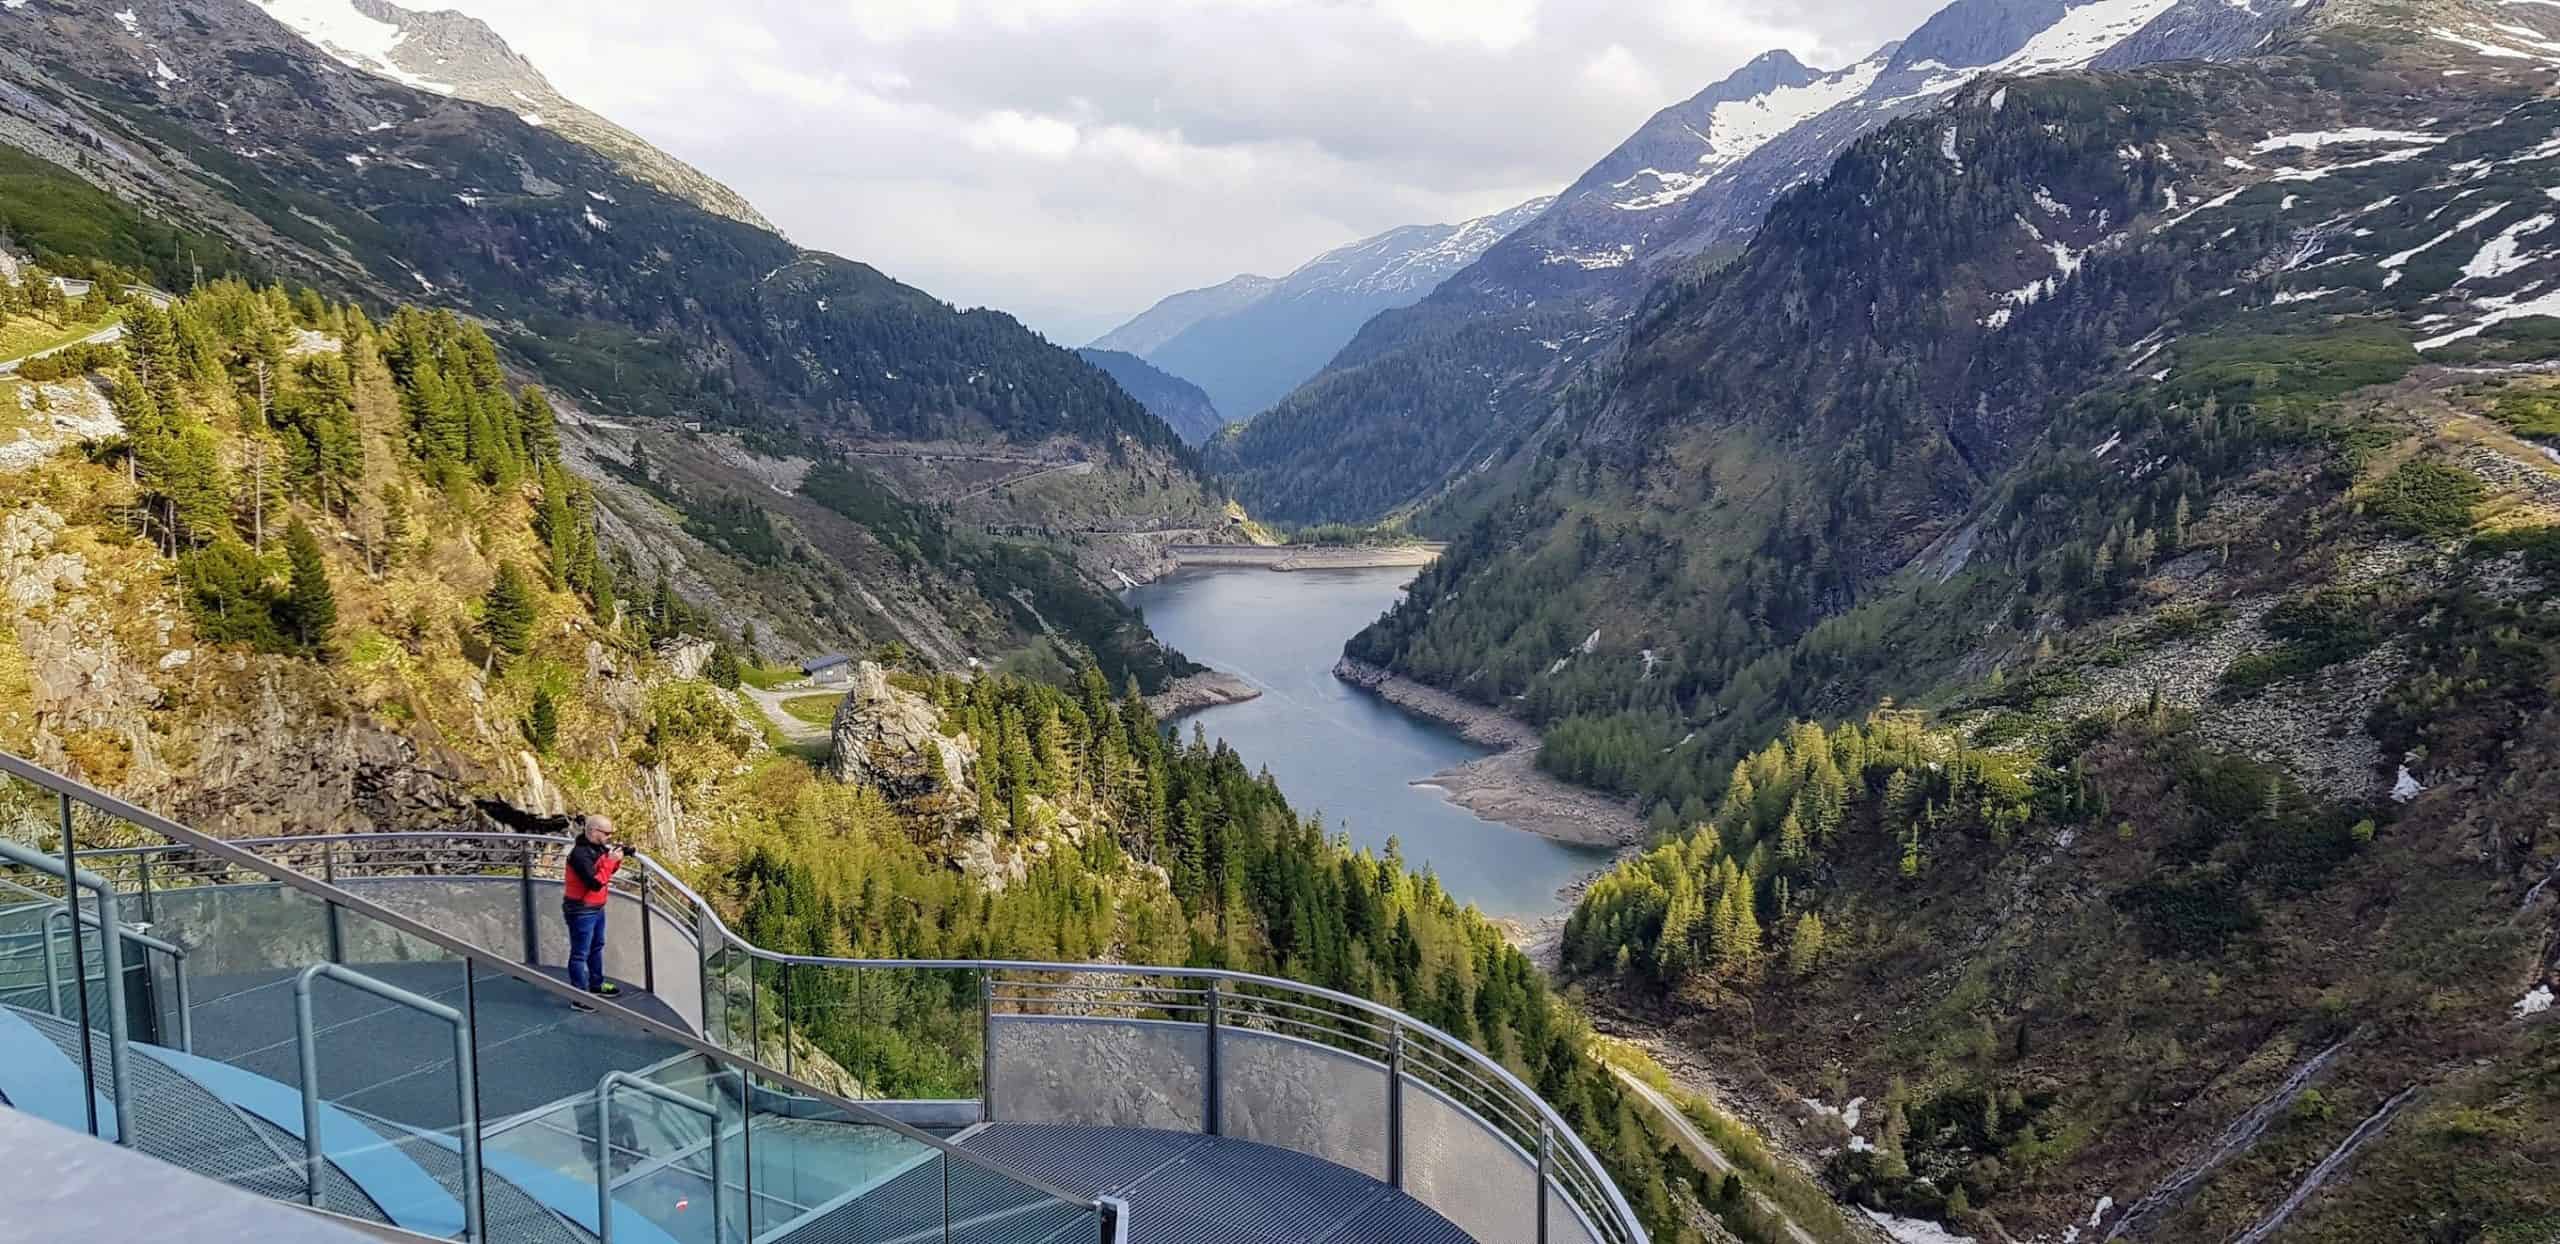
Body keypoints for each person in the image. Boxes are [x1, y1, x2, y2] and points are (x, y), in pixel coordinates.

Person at [562, 813, 625, 1000]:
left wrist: (616, 859)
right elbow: (595, 883)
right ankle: (580, 997)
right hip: (581, 909)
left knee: (596, 946)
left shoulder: (598, 848)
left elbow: (606, 872)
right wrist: (610, 861)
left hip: (596, 907)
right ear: (593, 831)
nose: (609, 837)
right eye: (606, 833)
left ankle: (596, 985)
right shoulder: (580, 855)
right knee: (580, 954)